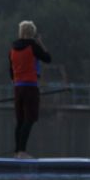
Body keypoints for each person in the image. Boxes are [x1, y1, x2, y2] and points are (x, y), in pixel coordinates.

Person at [9, 21, 54, 157]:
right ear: (32, 33)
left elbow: (11, 71)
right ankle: (22, 152)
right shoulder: (32, 46)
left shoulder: (12, 47)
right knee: (30, 118)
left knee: (20, 120)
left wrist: (17, 81)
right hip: (30, 87)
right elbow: (48, 58)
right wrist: (40, 43)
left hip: (18, 88)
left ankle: (17, 151)